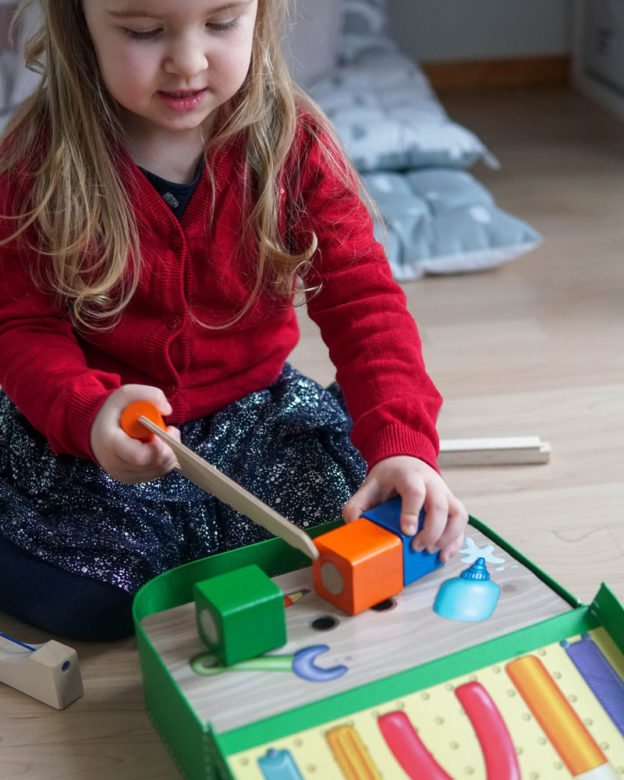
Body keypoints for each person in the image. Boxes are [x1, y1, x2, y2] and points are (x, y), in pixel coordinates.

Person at [0, 0, 467, 641]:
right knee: (96, 603)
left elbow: (365, 304)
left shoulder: (292, 142)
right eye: (142, 31)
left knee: (363, 523)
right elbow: (22, 330)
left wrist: (404, 443)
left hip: (254, 413)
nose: (188, 62)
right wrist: (89, 412)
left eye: (221, 24)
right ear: (79, 21)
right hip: (105, 428)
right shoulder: (34, 161)